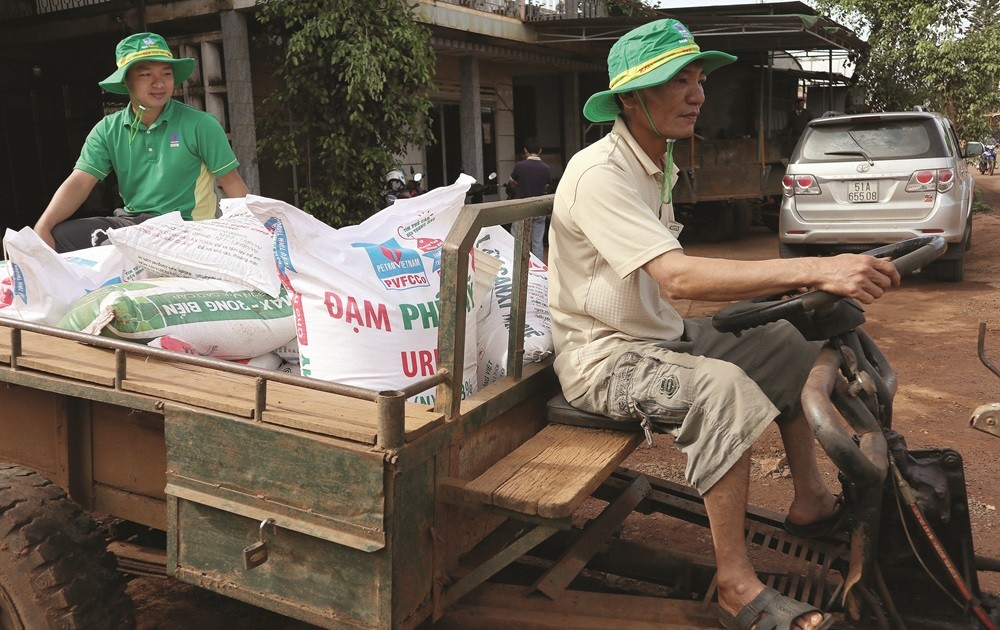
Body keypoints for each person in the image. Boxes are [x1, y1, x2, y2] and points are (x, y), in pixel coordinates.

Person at [548, 19, 899, 630]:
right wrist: (815, 269)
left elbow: (683, 284)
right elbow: (679, 280)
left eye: (697, 79)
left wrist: (800, 284)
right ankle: (736, 587)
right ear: (631, 100)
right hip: (604, 358)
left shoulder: (656, 164)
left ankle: (811, 500)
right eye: (675, 82)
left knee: (789, 344)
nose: (696, 94)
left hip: (658, 334)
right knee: (723, 391)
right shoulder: (599, 174)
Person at [34, 32, 249, 253]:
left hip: (185, 230)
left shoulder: (201, 124)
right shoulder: (108, 129)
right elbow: (79, 182)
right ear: (126, 81)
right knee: (59, 235)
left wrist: (252, 232)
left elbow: (231, 182)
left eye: (166, 73)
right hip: (134, 226)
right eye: (146, 74)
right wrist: (44, 225)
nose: (159, 83)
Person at [508, 137, 552, 259]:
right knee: (537, 243)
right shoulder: (546, 168)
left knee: (518, 241)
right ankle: (539, 272)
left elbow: (512, 181)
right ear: (540, 151)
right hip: (539, 209)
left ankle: (517, 269)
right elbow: (546, 185)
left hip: (521, 209)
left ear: (525, 150)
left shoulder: (520, 166)